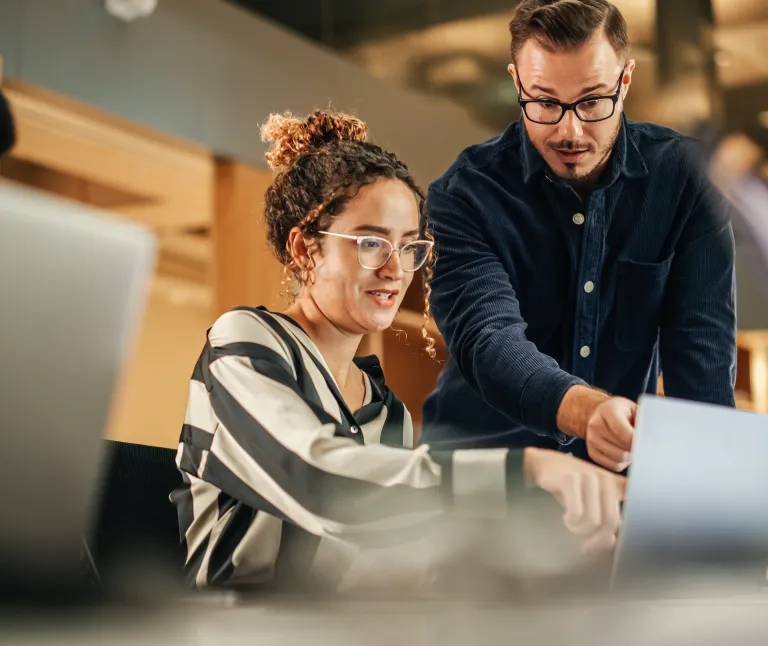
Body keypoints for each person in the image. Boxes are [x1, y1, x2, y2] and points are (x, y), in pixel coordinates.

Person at [171, 110, 626, 591]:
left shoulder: (386, 411)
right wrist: (524, 471)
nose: (395, 270)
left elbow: (381, 557)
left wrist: (538, 540)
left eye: (410, 248)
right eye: (371, 243)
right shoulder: (244, 341)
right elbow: (318, 482)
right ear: (305, 249)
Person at [420, 0, 736, 472]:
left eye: (592, 101)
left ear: (625, 81)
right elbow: (488, 340)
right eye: (545, 102)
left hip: (613, 484)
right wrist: (586, 411)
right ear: (516, 83)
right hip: (480, 475)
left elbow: (703, 366)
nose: (570, 131)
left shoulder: (686, 181)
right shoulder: (465, 194)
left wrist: (716, 498)